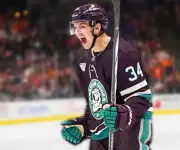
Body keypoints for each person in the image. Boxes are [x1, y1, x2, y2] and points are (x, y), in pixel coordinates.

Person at [60, 4, 153, 150]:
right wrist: (83, 127)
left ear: (97, 28)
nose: (77, 32)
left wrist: (121, 114)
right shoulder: (83, 61)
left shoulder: (123, 53)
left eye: (82, 26)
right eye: (75, 27)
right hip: (101, 137)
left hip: (128, 133)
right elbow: (95, 108)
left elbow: (142, 99)